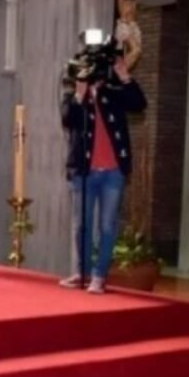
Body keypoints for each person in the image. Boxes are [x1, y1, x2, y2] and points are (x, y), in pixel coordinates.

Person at [59, 56, 146, 294]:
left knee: (107, 225)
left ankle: (99, 276)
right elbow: (68, 119)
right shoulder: (74, 98)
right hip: (84, 171)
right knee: (82, 225)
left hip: (113, 171)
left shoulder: (114, 92)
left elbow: (139, 103)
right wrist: (80, 94)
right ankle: (84, 272)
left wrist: (124, 76)